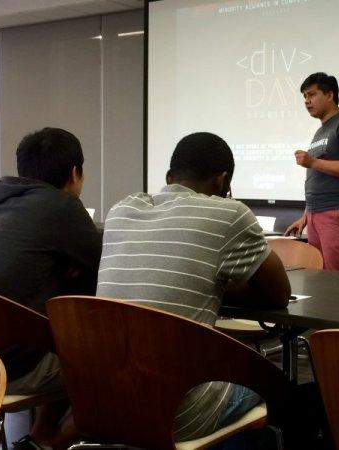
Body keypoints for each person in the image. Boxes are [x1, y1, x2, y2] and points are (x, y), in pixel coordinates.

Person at [97, 132, 291, 442]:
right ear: (222, 181)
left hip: (101, 403)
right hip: (177, 413)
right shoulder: (229, 214)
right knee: (276, 382)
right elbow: (279, 294)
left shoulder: (121, 210)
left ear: (168, 177)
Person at [0, 127, 102, 448]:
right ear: (75, 173)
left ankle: (39, 439)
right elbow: (105, 270)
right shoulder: (62, 206)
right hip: (18, 368)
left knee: (61, 337)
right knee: (105, 358)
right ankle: (47, 441)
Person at [285, 72, 339, 271]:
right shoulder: (321, 130)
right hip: (316, 213)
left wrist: (312, 162)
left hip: (337, 212)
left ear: (329, 95)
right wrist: (306, 215)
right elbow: (320, 176)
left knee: (338, 280)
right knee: (319, 277)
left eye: (311, 95)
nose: (306, 101)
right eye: (304, 96)